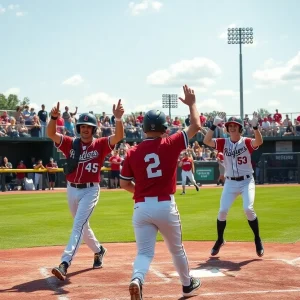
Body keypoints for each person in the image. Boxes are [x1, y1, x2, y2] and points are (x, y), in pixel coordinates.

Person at [120, 85, 201, 300]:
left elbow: (123, 183)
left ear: (144, 127)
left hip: (141, 207)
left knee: (144, 253)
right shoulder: (170, 142)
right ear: (165, 127)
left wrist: (139, 193)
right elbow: (196, 126)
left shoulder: (132, 151)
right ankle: (186, 285)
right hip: (166, 205)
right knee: (176, 249)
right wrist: (192, 104)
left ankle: (137, 278)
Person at [47, 100, 124, 281]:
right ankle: (99, 250)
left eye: (89, 127)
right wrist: (53, 117)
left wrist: (118, 118)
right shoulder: (70, 143)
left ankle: (64, 263)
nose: (85, 129)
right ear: (78, 127)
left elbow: (118, 136)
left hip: (90, 190)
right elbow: (50, 132)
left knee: (78, 226)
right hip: (72, 189)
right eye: (82, 126)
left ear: (93, 129)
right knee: (83, 226)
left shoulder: (100, 144)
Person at [203, 112, 264, 257]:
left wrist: (255, 127)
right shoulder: (224, 142)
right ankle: (219, 240)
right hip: (230, 182)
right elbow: (206, 140)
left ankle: (257, 239)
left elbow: (259, 141)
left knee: (248, 209)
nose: (231, 128)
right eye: (229, 125)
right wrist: (213, 125)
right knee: (222, 211)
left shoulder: (247, 141)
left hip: (246, 181)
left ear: (240, 128)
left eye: (235, 126)